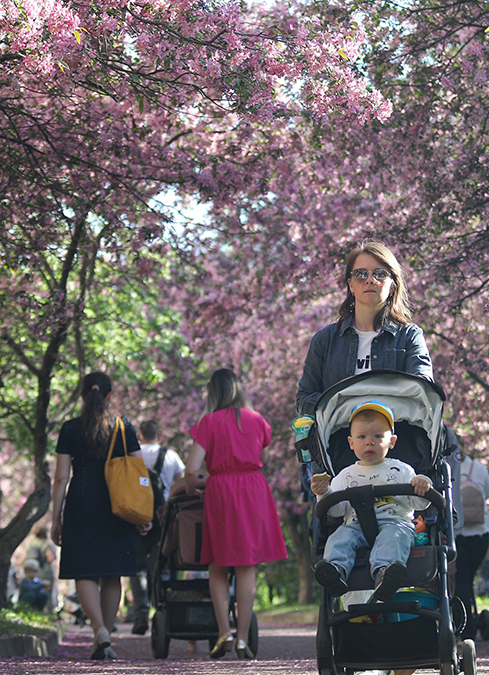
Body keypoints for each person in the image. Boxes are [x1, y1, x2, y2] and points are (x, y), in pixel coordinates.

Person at [185, 368, 288, 660]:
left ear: (213, 393)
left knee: (217, 564)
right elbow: (264, 458)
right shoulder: (257, 421)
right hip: (253, 490)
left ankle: (223, 632)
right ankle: (243, 639)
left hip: (220, 491)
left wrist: (193, 489)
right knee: (247, 565)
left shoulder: (207, 422)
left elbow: (192, 469)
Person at [50, 371, 152, 660]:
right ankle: (105, 631)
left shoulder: (70, 428)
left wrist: (55, 518)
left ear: (82, 396)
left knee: (84, 569)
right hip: (117, 502)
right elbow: (138, 469)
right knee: (112, 571)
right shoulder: (124, 427)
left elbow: (60, 477)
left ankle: (99, 632)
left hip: (82, 498)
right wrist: (143, 512)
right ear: (110, 396)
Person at [296, 240, 433, 417]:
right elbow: (304, 400)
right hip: (339, 442)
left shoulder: (409, 336)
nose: (369, 280)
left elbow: (424, 394)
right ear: (351, 285)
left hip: (395, 441)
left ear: (392, 286)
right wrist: (346, 407)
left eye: (380, 273)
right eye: (360, 274)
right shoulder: (325, 340)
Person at [311, 401, 431, 602]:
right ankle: (335, 570)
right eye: (362, 436)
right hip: (355, 525)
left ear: (392, 441)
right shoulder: (345, 475)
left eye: (377, 436)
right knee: (340, 536)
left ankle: (385, 574)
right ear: (351, 442)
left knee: (394, 537)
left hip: (394, 523)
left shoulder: (402, 470)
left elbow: (418, 504)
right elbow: (337, 510)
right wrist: (324, 493)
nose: (369, 442)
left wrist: (422, 485)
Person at [129, 420, 186, 635]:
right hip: (162, 518)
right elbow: (180, 487)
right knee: (159, 565)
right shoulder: (170, 456)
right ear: (159, 436)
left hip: (135, 516)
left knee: (136, 568)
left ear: (139, 436)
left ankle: (140, 615)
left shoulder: (132, 453)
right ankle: (160, 609)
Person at [450, 430, 489, 640]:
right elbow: (486, 495)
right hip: (480, 534)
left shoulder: (445, 467)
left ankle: (464, 628)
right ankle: (470, 624)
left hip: (457, 534)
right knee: (467, 579)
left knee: (461, 580)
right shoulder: (479, 468)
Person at [22, 524, 58, 611]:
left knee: (32, 591)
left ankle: (31, 610)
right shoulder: (45, 544)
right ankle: (47, 612)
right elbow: (51, 558)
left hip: (30, 570)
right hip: (45, 571)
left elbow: (23, 558)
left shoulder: (29, 544)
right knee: (46, 591)